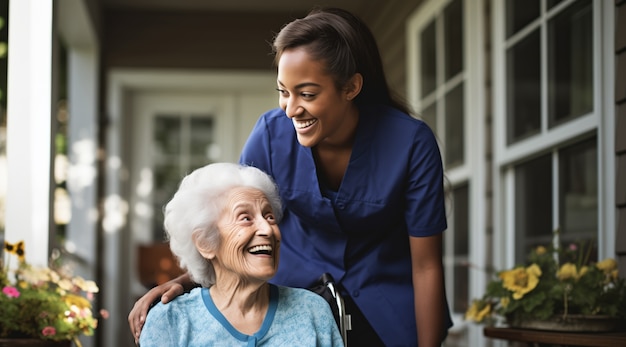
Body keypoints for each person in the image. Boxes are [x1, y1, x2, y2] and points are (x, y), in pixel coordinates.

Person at [130, 7, 453, 346]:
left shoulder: (411, 142)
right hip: (293, 308)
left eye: (308, 94)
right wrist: (186, 281)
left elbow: (427, 266)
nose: (291, 108)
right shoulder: (270, 135)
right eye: (284, 91)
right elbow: (232, 229)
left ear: (351, 87)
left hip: (387, 310)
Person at [138, 163, 344, 346]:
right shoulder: (170, 321)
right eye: (245, 218)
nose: (268, 229)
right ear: (205, 243)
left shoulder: (313, 312)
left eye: (269, 216)